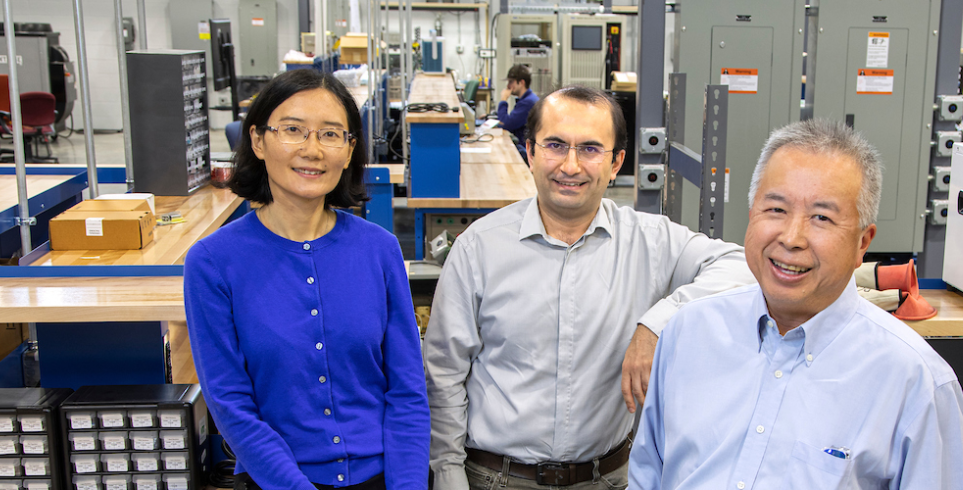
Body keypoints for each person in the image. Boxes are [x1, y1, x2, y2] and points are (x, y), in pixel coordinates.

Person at [424, 85, 755, 490]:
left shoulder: (650, 241)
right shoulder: (479, 247)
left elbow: (742, 265)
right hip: (496, 478)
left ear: (616, 163)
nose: (570, 165)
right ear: (530, 152)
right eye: (556, 145)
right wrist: (447, 474)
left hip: (607, 478)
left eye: (591, 149)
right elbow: (443, 376)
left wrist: (657, 323)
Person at [627, 119, 963, 490]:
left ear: (863, 243)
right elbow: (648, 474)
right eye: (776, 209)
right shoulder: (688, 333)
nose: (792, 238)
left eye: (821, 218)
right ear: (751, 215)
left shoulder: (915, 382)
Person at [184, 69, 429, 490]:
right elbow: (230, 404)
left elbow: (407, 391)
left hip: (383, 478)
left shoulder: (380, 250)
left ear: (350, 150)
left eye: (331, 135)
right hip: (277, 480)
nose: (312, 150)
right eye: (293, 130)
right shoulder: (213, 262)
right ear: (258, 141)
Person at [495, 64, 539, 162]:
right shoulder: (527, 99)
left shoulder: (528, 103)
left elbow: (505, 124)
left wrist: (503, 100)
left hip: (524, 151)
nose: (508, 86)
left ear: (521, 82)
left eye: (511, 82)